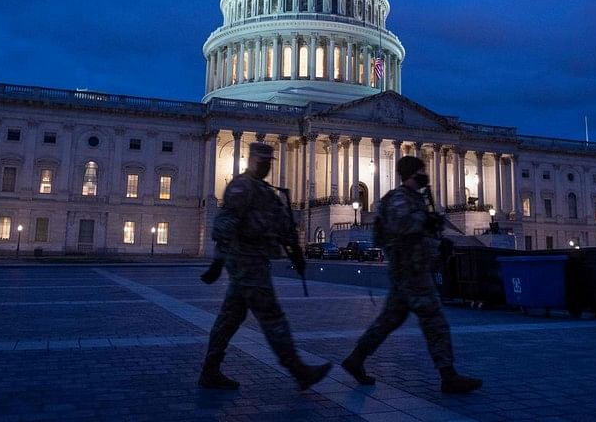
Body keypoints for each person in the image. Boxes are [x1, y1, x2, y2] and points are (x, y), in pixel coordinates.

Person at [341, 155, 483, 394]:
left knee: (387, 322)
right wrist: (425, 220)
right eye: (421, 171)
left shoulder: (416, 198)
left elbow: (420, 237)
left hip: (410, 271)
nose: (425, 174)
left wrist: (439, 244)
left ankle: (356, 359)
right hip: (411, 272)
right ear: (412, 174)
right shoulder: (398, 199)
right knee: (435, 321)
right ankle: (448, 375)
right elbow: (402, 228)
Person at [199, 142, 332, 390]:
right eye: (263, 162)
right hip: (246, 261)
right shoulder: (242, 186)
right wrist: (218, 262)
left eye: (269, 163)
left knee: (230, 317)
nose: (267, 167)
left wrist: (296, 254)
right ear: (253, 161)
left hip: (254, 261)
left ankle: (210, 370)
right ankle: (298, 369)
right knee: (271, 316)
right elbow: (224, 224)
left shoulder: (266, 192)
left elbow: (283, 227)